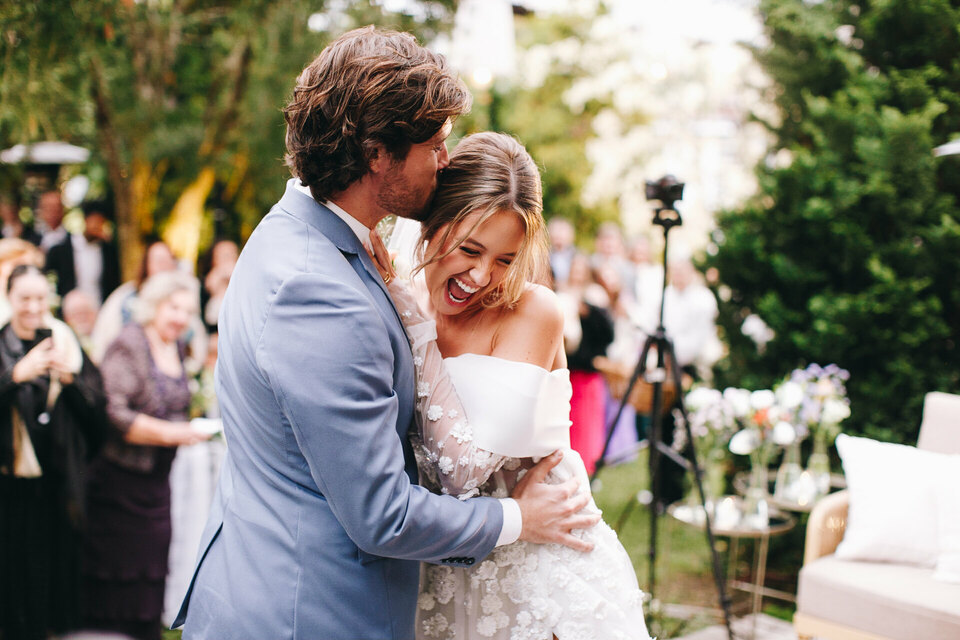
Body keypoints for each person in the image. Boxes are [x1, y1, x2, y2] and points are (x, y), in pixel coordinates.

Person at [174, 27, 596, 640]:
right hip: (310, 611)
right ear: (378, 153)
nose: (446, 161)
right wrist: (516, 518)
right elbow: (382, 515)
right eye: (436, 144)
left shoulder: (304, 232)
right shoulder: (319, 292)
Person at [368, 132, 651, 640]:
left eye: (504, 259)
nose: (481, 276)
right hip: (442, 567)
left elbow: (465, 471)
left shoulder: (533, 311)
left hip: (540, 568)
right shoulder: (395, 301)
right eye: (470, 249)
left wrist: (416, 322)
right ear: (433, 225)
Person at [82, 271, 211, 640]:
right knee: (116, 572)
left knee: (153, 568)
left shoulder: (176, 347)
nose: (181, 318)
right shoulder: (130, 343)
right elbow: (113, 411)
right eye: (174, 307)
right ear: (154, 305)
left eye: (188, 311)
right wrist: (172, 434)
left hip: (157, 485)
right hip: (118, 484)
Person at [0, 264, 106, 640]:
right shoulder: (2, 344)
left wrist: (70, 382)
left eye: (40, 298)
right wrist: (14, 376)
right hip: (10, 489)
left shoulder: (64, 340)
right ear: (9, 299)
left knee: (52, 588)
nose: (32, 306)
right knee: (12, 588)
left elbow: (98, 417)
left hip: (58, 487)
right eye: (24, 298)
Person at [45, 199, 121, 307]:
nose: (97, 226)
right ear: (85, 220)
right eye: (94, 221)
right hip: (69, 309)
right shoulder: (62, 249)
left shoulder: (108, 252)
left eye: (101, 222)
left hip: (99, 307)